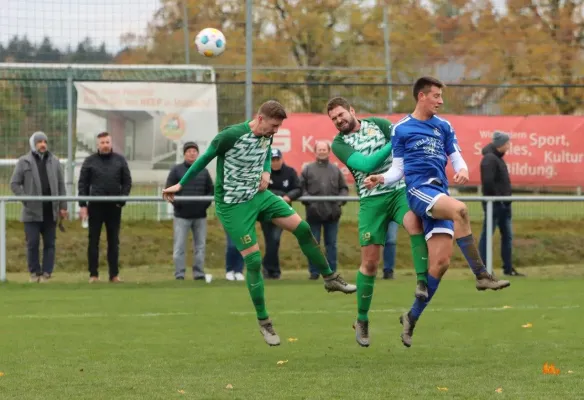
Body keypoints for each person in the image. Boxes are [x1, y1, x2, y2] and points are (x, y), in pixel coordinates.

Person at [163, 100, 356, 347]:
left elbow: (265, 150)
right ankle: (264, 321)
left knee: (303, 228)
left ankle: (330, 278)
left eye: (278, 127)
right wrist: (181, 184)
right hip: (233, 205)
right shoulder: (230, 136)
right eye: (273, 126)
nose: (275, 131)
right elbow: (205, 158)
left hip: (259, 196)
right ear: (260, 118)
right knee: (253, 260)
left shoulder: (267, 134)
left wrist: (266, 172)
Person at [364, 76, 510, 347]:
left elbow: (455, 155)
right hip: (420, 192)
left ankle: (411, 317)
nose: (441, 101)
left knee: (441, 265)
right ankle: (481, 275)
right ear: (421, 96)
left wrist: (463, 168)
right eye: (436, 96)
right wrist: (381, 178)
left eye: (441, 96)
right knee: (461, 210)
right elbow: (398, 169)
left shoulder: (443, 126)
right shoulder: (402, 129)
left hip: (440, 193)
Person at [328, 96, 428, 348]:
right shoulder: (339, 144)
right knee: (370, 264)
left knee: (415, 224)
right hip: (371, 201)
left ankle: (422, 282)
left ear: (352, 110)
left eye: (341, 114)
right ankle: (361, 320)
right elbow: (367, 164)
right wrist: (393, 144)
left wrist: (396, 141)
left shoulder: (379, 124)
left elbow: (404, 145)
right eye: (334, 119)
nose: (339, 120)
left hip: (397, 191)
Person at [10, 131, 68, 282]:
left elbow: (61, 185)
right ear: (33, 144)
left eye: (45, 142)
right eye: (39, 142)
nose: (43, 144)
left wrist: (63, 206)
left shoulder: (54, 161)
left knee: (50, 244)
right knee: (33, 243)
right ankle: (35, 273)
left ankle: (47, 273)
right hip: (31, 212)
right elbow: (14, 184)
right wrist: (26, 200)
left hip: (50, 211)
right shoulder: (24, 161)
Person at [78, 131, 132, 283]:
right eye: (102, 143)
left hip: (114, 207)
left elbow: (127, 182)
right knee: (93, 241)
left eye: (107, 142)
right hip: (95, 206)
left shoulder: (120, 160)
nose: (105, 145)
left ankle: (114, 275)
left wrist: (122, 199)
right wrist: (83, 205)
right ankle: (93, 275)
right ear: (97, 145)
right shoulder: (90, 161)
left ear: (111, 143)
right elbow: (83, 184)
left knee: (113, 241)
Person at [165, 141, 214, 280]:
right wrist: (179, 205)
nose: (192, 153)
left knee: (200, 246)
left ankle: (198, 273)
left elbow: (210, 190)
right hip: (181, 216)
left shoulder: (203, 171)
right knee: (179, 246)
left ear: (198, 153)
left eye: (194, 151)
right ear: (184, 154)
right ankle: (179, 274)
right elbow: (170, 189)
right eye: (189, 151)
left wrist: (204, 205)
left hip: (200, 216)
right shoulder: (176, 170)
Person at [300, 141, 349, 279]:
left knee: (331, 245)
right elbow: (301, 188)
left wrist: (339, 203)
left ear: (328, 151)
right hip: (313, 214)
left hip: (332, 215)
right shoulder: (308, 169)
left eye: (324, 149)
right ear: (315, 151)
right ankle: (314, 272)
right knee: (314, 244)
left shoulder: (335, 169)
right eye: (319, 149)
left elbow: (344, 188)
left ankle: (332, 272)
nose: (322, 151)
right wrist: (310, 202)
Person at [479, 132, 524, 277]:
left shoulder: (496, 159)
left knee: (507, 236)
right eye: (507, 143)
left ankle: (508, 268)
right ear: (501, 144)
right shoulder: (490, 159)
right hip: (496, 205)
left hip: (503, 205)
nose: (509, 146)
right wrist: (498, 200)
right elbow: (488, 183)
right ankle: (483, 269)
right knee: (487, 236)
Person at [260, 148, 301, 279]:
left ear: (281, 159)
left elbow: (298, 188)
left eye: (277, 159)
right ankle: (272, 270)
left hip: (282, 212)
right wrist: (280, 194)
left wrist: (289, 196)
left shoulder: (290, 172)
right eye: (272, 160)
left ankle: (270, 268)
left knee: (275, 239)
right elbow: (263, 190)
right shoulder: (264, 173)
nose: (275, 162)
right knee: (270, 240)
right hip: (266, 212)